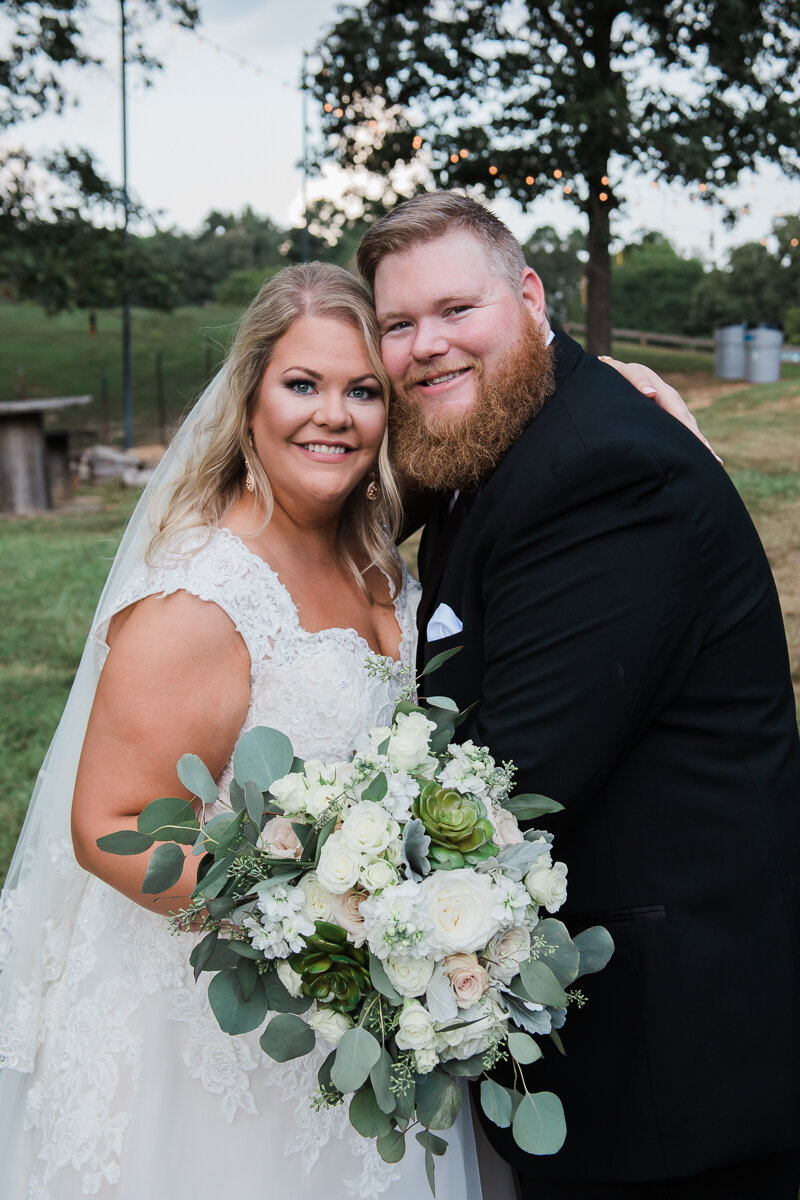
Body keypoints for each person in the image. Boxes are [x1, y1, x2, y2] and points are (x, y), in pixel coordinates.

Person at [0, 262, 484, 1200]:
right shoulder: (203, 593)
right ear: (250, 396)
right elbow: (106, 825)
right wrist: (309, 933)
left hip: (356, 1023)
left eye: (363, 392)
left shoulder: (373, 551)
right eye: (302, 385)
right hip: (219, 1032)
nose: (332, 416)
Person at [357, 192, 800, 1199]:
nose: (425, 345)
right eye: (397, 324)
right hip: (615, 1052)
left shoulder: (600, 474)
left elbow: (508, 784)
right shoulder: (507, 436)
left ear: (527, 297)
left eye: (455, 310)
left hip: (672, 1070)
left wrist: (313, 889)